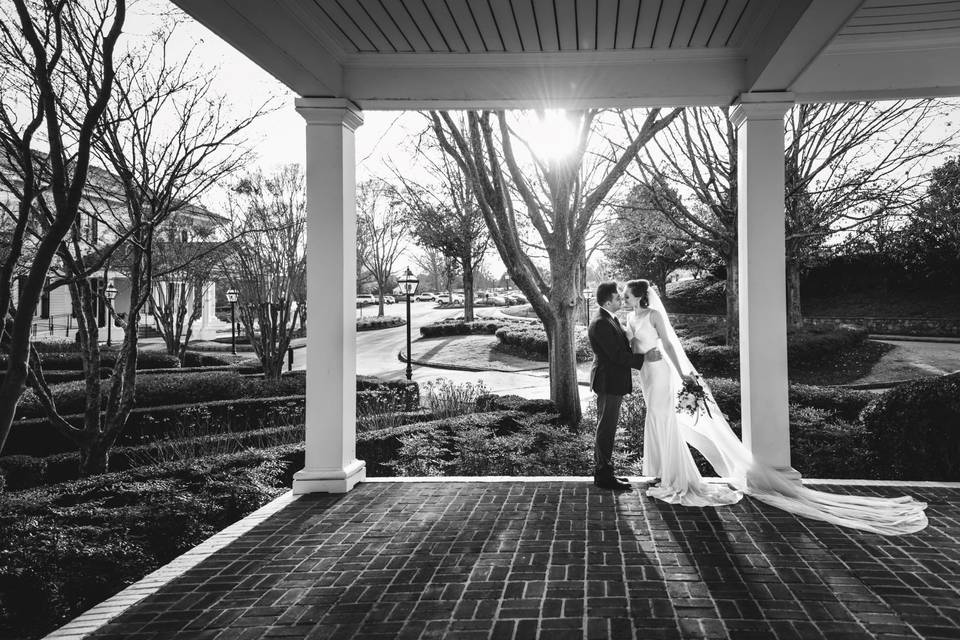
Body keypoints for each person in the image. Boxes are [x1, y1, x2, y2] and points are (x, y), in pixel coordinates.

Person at [621, 278, 928, 535]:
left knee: (663, 418)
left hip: (662, 372)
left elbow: (671, 345)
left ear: (640, 295)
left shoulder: (653, 316)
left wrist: (684, 374)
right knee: (654, 417)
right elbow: (635, 348)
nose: (624, 297)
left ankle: (676, 477)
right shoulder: (630, 318)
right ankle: (660, 471)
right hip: (647, 374)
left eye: (628, 293)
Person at [587, 281, 662, 490]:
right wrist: (644, 357)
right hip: (608, 381)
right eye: (618, 297)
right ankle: (603, 475)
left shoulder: (610, 319)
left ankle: (605, 472)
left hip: (611, 381)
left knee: (607, 426)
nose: (621, 299)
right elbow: (617, 356)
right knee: (606, 427)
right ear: (608, 301)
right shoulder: (601, 322)